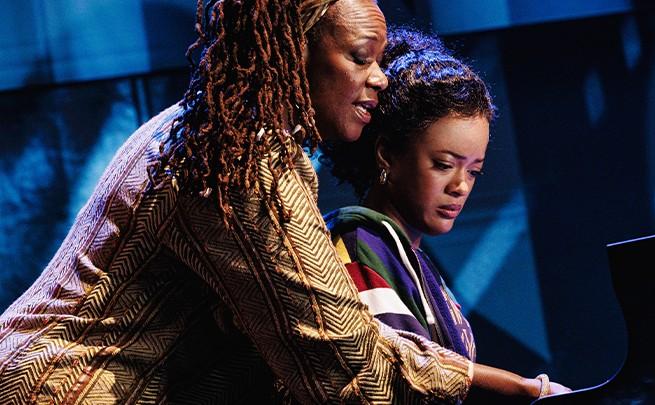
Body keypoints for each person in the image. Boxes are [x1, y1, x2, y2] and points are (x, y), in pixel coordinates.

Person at [0, 1, 479, 403]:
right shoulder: (243, 160)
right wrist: (488, 381)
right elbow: (344, 363)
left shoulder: (204, 129)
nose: (380, 78)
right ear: (292, 51)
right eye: (360, 57)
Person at [323, 28, 571, 400]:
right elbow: (398, 378)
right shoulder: (360, 246)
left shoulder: (408, 259)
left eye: (473, 171)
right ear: (387, 155)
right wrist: (525, 388)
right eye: (443, 165)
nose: (461, 186)